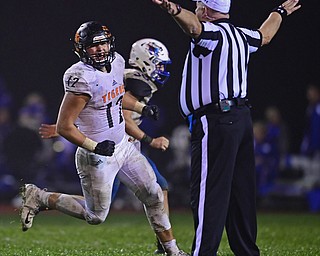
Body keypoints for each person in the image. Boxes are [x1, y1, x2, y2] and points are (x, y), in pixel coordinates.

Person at [20, 21, 188, 256]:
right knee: (95, 216)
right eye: (93, 45)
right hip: (96, 155)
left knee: (154, 193)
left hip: (123, 146)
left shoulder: (117, 61)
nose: (100, 50)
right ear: (82, 49)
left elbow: (116, 96)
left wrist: (141, 108)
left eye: (103, 44)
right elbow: (65, 126)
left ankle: (172, 251)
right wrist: (95, 146)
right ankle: (40, 196)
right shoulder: (81, 77)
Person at [150, 0, 301, 255]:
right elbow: (265, 35)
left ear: (206, 11)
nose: (196, 8)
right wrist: (280, 12)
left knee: (208, 194)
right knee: (241, 193)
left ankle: (203, 252)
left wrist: (172, 9)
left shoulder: (211, 32)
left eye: (198, 4)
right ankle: (247, 252)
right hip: (241, 119)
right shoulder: (242, 35)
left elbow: (195, 27)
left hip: (216, 120)